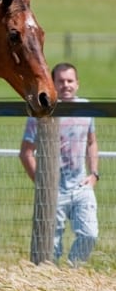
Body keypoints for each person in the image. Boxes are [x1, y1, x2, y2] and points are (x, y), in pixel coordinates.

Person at [19, 62, 99, 265]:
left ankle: (72, 274)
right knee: (49, 249)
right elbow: (26, 152)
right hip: (54, 190)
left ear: (77, 84)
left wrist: (94, 174)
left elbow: (91, 142)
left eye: (70, 81)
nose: (66, 85)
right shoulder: (41, 113)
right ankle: (50, 283)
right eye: (60, 81)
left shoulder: (86, 109)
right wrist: (43, 183)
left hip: (81, 186)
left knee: (90, 235)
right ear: (52, 84)